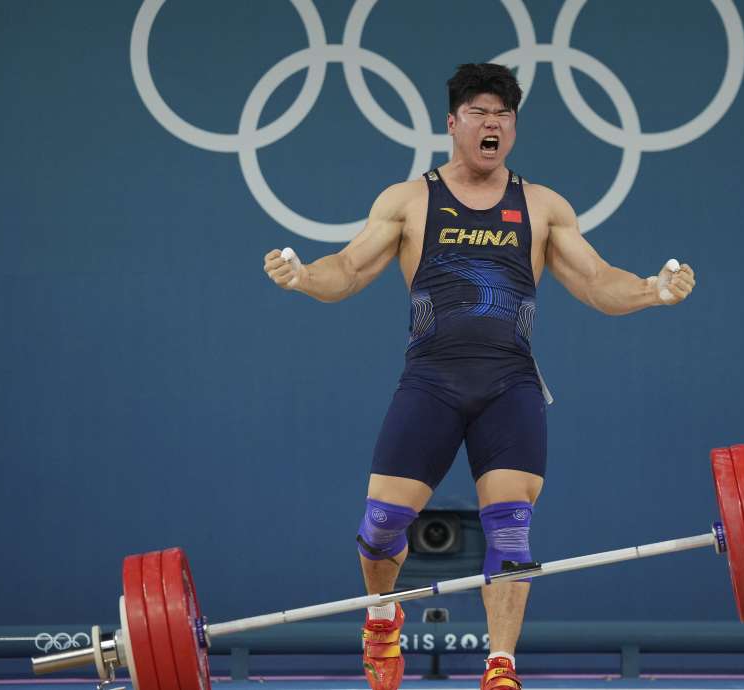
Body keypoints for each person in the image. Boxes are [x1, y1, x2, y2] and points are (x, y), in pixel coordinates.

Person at [263, 63, 695, 690]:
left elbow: (600, 283)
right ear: (453, 123)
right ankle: (382, 617)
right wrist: (304, 276)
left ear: (512, 127)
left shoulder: (543, 207)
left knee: (511, 527)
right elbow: (349, 270)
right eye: (480, 114)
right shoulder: (408, 201)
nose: (492, 125)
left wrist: (654, 290)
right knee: (381, 524)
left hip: (509, 387)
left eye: (504, 115)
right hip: (431, 382)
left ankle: (501, 665)